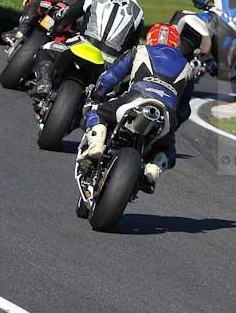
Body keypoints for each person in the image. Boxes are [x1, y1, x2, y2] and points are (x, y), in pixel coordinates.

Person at [78, 23, 195, 192]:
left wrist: (97, 95)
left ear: (150, 38)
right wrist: (174, 124)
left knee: (97, 112)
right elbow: (184, 110)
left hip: (136, 97)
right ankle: (153, 168)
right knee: (169, 149)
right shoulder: (188, 68)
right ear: (176, 43)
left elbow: (111, 77)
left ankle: (96, 145)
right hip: (166, 113)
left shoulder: (139, 50)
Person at [30, 0, 144, 97]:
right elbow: (132, 48)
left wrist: (57, 21)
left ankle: (44, 82)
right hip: (109, 63)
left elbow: (69, 14)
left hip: (83, 44)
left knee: (46, 49)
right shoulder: (139, 12)